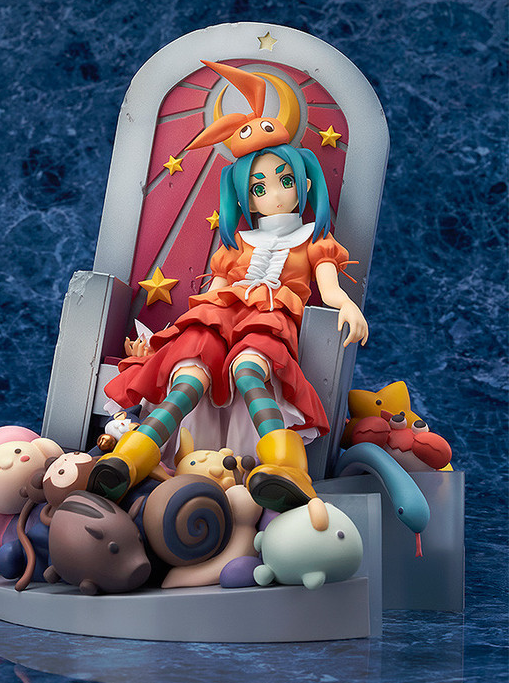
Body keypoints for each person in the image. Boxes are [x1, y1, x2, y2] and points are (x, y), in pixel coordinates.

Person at [87, 61, 368, 512]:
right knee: (188, 377)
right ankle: (129, 460)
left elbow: (329, 288)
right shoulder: (238, 245)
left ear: (303, 182)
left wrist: (347, 306)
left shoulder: (314, 241)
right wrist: (165, 341)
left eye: (284, 181)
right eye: (259, 188)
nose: (274, 194)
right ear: (244, 198)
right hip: (216, 318)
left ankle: (284, 468)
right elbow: (208, 297)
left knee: (250, 370)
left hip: (269, 321)